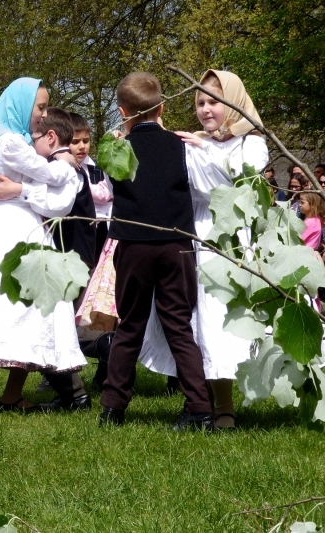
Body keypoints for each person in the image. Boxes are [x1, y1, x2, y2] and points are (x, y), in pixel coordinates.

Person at [98, 72, 231, 430]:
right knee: (178, 325)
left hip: (134, 243)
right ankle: (200, 406)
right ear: (162, 108)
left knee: (129, 325)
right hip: (176, 245)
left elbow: (111, 188)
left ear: (123, 111)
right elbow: (209, 189)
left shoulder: (115, 150)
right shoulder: (183, 147)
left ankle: (113, 406)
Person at [137, 70, 269, 430]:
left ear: (234, 103)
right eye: (200, 103)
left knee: (220, 316)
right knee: (191, 317)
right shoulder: (189, 142)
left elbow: (236, 183)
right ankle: (198, 397)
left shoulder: (251, 144)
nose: (206, 110)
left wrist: (203, 151)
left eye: (215, 102)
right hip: (194, 233)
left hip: (231, 237)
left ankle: (224, 404)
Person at [0, 77, 86, 411]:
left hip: (27, 226)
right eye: (40, 107)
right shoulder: (9, 143)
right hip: (6, 229)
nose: (44, 114)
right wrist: (65, 164)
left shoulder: (22, 142)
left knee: (34, 307)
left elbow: (56, 203)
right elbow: (51, 176)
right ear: (20, 106)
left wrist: (23, 190)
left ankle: (10, 394)